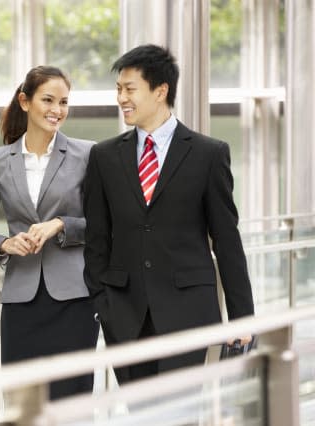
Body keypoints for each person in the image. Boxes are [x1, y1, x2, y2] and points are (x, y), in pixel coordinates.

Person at [83, 44, 255, 384]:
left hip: (188, 313)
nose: (121, 98)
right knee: (142, 414)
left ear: (160, 91)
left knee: (180, 413)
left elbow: (226, 239)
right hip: (125, 315)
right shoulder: (104, 157)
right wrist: (104, 307)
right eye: (118, 89)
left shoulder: (208, 154)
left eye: (130, 89)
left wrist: (242, 316)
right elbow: (96, 240)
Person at [0, 66, 99, 400]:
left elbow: (105, 224)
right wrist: (5, 243)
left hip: (75, 300)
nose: (57, 110)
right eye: (48, 100)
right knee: (22, 404)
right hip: (21, 300)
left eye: (63, 102)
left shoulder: (86, 154)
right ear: (25, 101)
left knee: (70, 403)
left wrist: (62, 224)